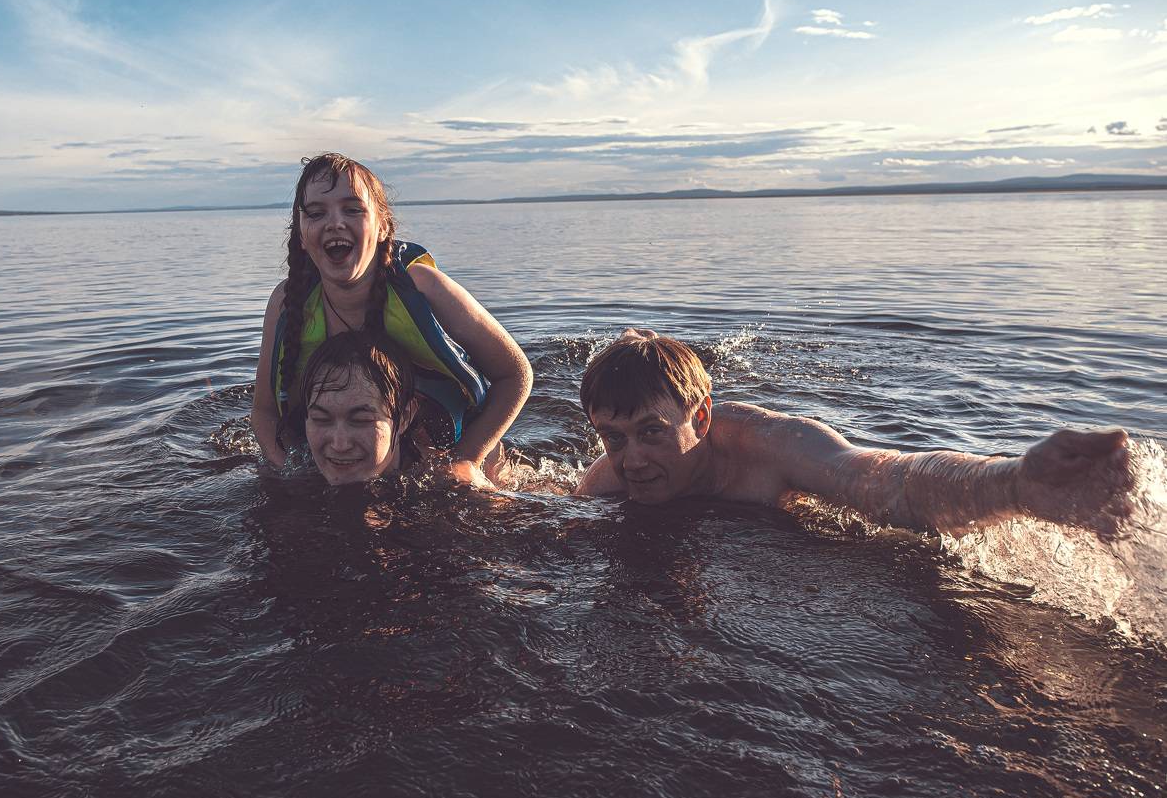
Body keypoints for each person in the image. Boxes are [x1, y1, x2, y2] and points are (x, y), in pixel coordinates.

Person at [574, 329, 1137, 538]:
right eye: (613, 438)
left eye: (651, 432)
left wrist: (1015, 484)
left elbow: (889, 481)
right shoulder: (606, 484)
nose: (634, 460)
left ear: (700, 419)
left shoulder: (771, 447)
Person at [253, 153, 532, 488]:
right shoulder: (288, 302)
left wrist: (467, 459)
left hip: (451, 442)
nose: (334, 222)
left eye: (352, 209)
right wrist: (292, 475)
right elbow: (265, 413)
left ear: (383, 226)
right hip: (347, 443)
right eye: (316, 213)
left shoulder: (422, 287)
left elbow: (515, 373)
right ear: (301, 233)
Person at [290, 330, 421, 486]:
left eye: (361, 420)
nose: (340, 445)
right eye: (321, 419)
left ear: (404, 417)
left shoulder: (440, 487)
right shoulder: (290, 480)